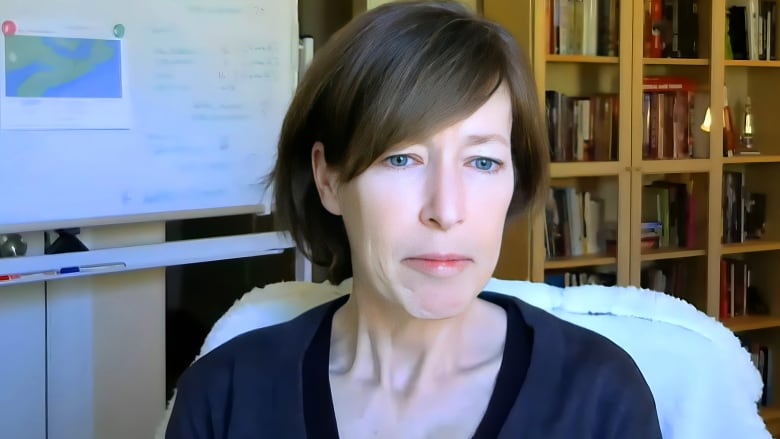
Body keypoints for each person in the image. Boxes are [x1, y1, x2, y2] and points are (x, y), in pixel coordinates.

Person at [165, 1, 663, 437]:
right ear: (329, 179)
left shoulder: (602, 394)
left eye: (482, 162)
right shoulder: (224, 396)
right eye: (401, 159)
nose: (445, 211)